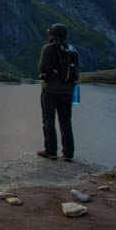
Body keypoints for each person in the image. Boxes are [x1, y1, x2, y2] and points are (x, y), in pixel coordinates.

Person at [37, 23, 79, 162]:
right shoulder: (73, 50)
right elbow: (77, 70)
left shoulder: (48, 48)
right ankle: (68, 154)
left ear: (52, 35)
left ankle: (51, 152)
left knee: (48, 120)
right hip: (68, 92)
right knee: (66, 122)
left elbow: (42, 68)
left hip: (50, 91)